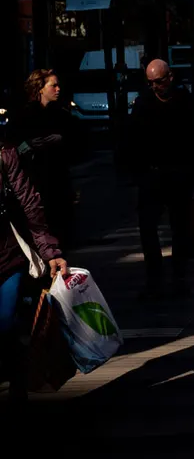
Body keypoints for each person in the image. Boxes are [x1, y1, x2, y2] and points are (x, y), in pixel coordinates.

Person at [126, 59, 194, 299]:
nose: (154, 86)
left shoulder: (187, 102)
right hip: (152, 176)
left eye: (158, 81)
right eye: (150, 82)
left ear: (170, 77)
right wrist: (137, 171)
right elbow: (131, 139)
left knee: (179, 227)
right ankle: (155, 277)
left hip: (179, 175)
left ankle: (179, 276)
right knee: (148, 227)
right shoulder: (143, 103)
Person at [0, 144, 68, 405]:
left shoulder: (4, 154)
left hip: (6, 258)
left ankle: (18, 385)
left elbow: (29, 205)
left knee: (5, 323)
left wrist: (50, 252)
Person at [9, 70, 78, 248]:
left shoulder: (61, 114)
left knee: (61, 236)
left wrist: (60, 140)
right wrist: (27, 146)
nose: (58, 89)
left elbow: (77, 142)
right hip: (34, 185)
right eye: (53, 85)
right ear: (40, 88)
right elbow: (12, 145)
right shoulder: (24, 116)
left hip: (58, 185)